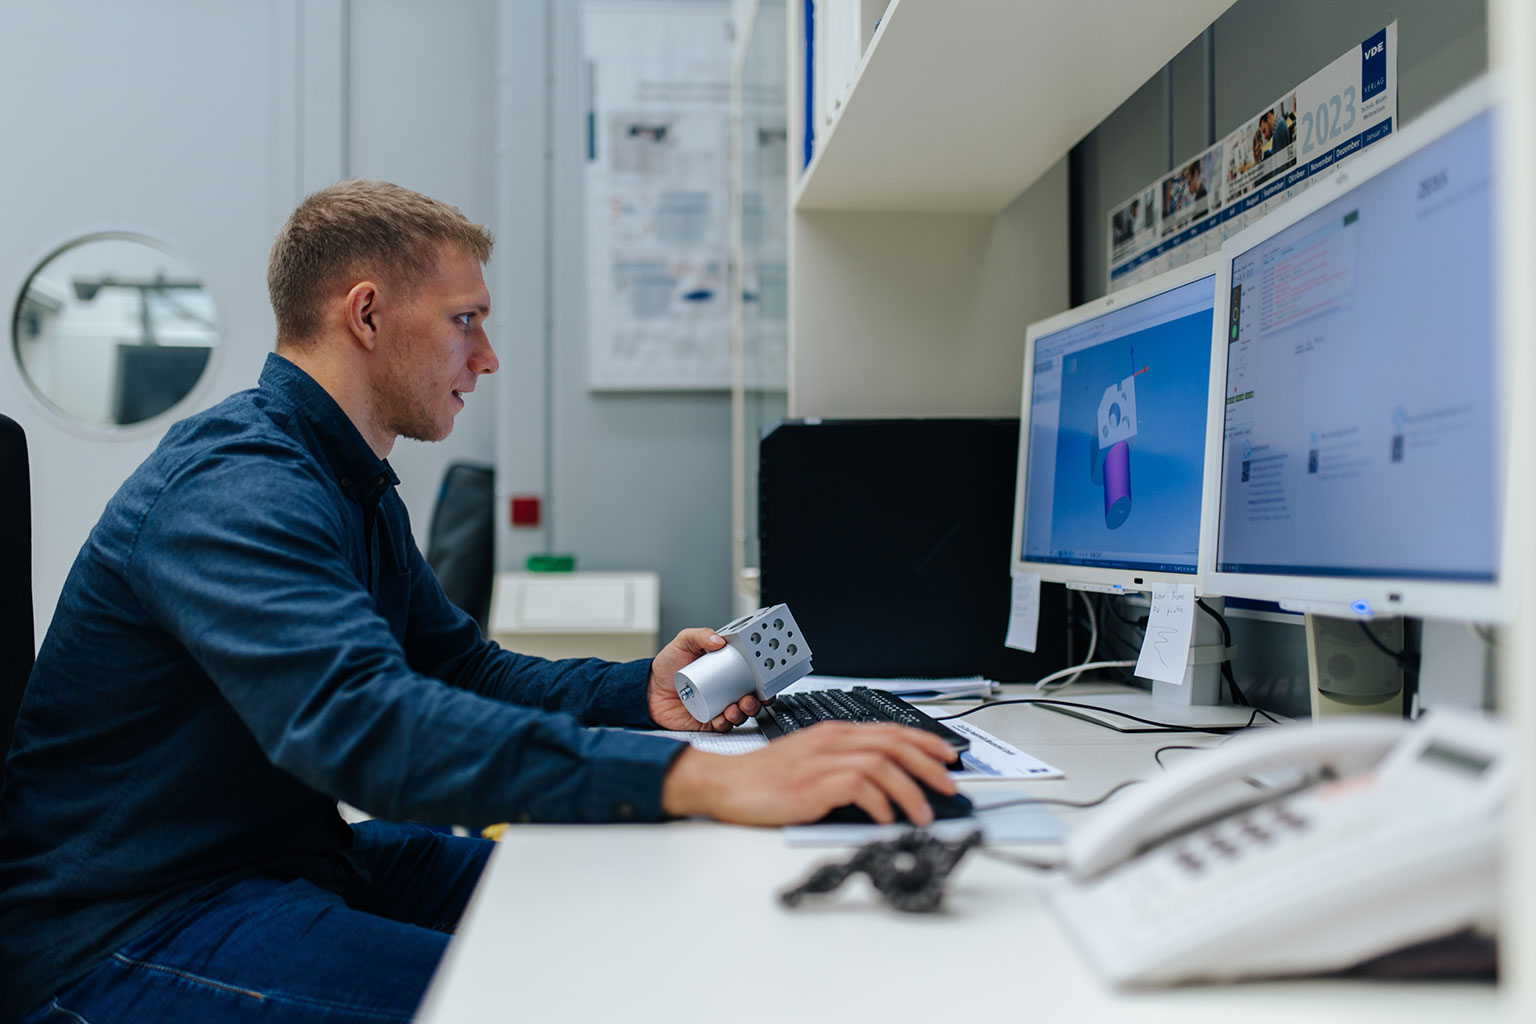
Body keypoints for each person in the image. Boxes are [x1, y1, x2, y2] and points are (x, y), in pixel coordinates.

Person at [0, 180, 959, 1024]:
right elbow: (359, 726)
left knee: (638, 891)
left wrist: (644, 693)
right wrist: (702, 780)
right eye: (467, 321)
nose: (488, 356)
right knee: (564, 997)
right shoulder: (237, 488)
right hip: (127, 927)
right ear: (366, 315)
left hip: (283, 861)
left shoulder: (348, 481)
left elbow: (461, 667)